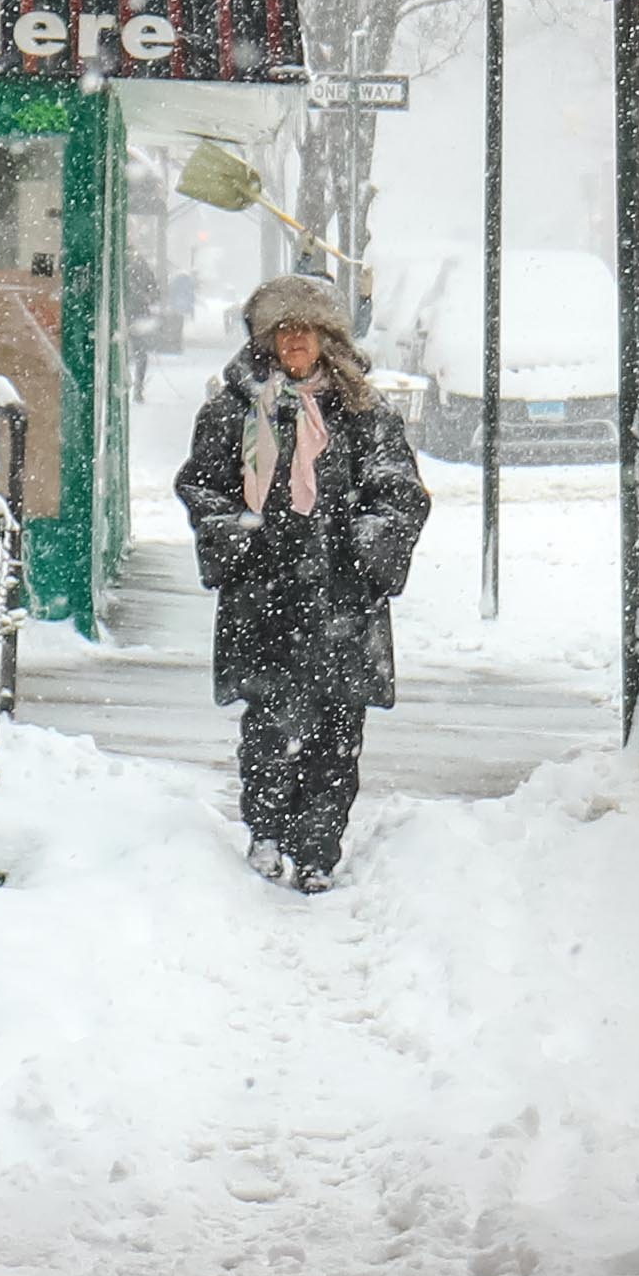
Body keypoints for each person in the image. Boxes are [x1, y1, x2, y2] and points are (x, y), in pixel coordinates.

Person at [177, 276, 428, 892]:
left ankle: (317, 851)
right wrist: (236, 537)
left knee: (337, 734)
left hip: (342, 602)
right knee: (268, 725)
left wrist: (366, 550)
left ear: (325, 339)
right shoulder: (235, 410)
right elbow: (203, 486)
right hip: (264, 600)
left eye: (305, 330)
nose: (294, 340)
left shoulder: (364, 412)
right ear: (267, 340)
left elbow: (400, 494)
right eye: (283, 330)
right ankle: (266, 833)